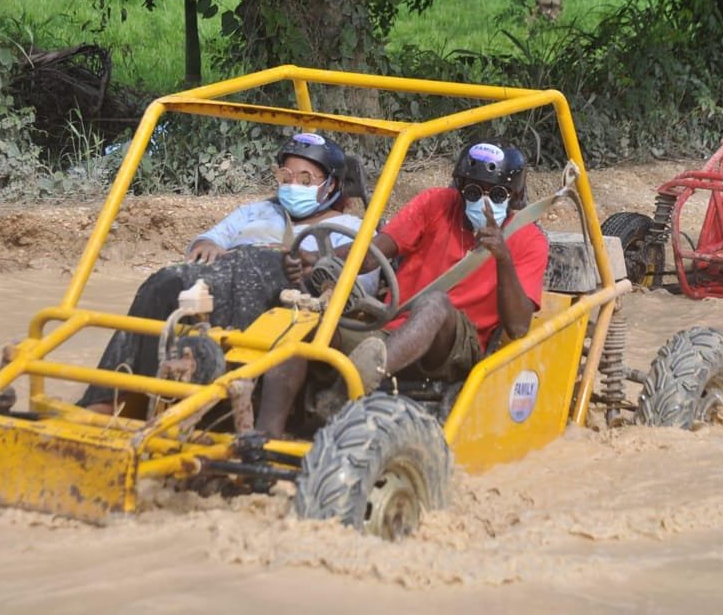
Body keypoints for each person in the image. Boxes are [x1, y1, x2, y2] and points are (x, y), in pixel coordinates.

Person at [255, 141, 550, 438]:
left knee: (435, 303)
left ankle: (354, 388)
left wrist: (503, 257)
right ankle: (263, 436)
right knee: (304, 322)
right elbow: (372, 255)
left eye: (497, 194)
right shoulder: (436, 203)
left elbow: (518, 326)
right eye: (473, 192)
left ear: (515, 197)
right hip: (392, 330)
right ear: (460, 188)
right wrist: (318, 260)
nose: (484, 202)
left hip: (455, 347)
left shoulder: (528, 240)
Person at [78, 132, 379, 414]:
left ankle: (217, 398)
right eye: (285, 177)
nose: (292, 186)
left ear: (332, 185)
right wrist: (206, 245)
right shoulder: (255, 212)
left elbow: (359, 285)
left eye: (305, 179)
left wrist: (312, 266)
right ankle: (108, 399)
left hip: (288, 292)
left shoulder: (351, 228)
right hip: (226, 276)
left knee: (260, 269)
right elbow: (211, 239)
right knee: (161, 284)